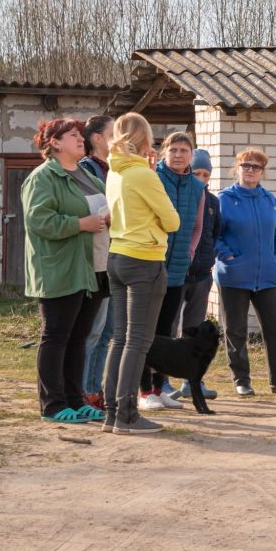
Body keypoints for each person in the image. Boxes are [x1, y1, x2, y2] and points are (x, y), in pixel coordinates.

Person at [21, 117, 109, 424]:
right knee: (56, 337)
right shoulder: (42, 178)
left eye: (80, 134)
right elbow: (38, 221)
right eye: (73, 135)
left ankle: (76, 399)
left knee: (79, 337)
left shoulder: (87, 174)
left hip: (93, 268)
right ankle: (53, 405)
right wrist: (80, 225)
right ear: (54, 143)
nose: (80, 138)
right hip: (61, 269)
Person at [103, 112, 180, 434]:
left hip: (117, 256)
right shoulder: (144, 176)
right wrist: (151, 177)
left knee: (120, 339)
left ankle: (111, 413)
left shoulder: (115, 172)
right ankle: (128, 415)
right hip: (144, 260)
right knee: (137, 341)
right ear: (144, 138)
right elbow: (173, 221)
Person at [215, 148, 276, 396]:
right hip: (234, 276)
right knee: (236, 330)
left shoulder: (270, 201)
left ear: (263, 171)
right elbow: (214, 235)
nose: (250, 170)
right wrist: (227, 257)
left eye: (256, 166)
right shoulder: (224, 199)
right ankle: (241, 380)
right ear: (237, 168)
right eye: (246, 165)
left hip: (267, 277)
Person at [138, 131, 205, 412]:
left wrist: (189, 253)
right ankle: (143, 392)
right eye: (173, 149)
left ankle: (159, 388)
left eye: (184, 150)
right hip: (152, 262)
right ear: (164, 152)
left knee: (167, 330)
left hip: (177, 269)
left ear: (191, 155)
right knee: (146, 332)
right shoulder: (153, 177)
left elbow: (197, 227)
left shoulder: (197, 187)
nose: (178, 155)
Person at [169, 148, 220, 401]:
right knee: (168, 327)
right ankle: (162, 382)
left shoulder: (213, 202)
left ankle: (192, 382)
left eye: (206, 173)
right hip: (176, 274)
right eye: (197, 172)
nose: (201, 178)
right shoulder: (180, 194)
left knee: (194, 330)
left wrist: (208, 261)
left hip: (201, 275)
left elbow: (213, 233)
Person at [79, 115, 115, 410]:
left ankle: (94, 390)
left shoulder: (115, 168)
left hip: (117, 258)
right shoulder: (86, 171)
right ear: (98, 139)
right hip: (96, 260)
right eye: (114, 133)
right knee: (92, 330)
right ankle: (79, 391)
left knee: (108, 331)